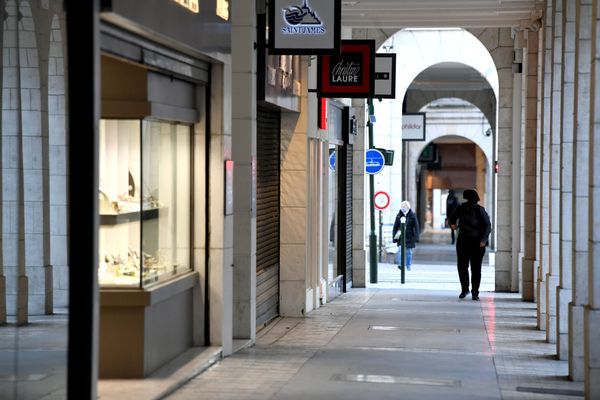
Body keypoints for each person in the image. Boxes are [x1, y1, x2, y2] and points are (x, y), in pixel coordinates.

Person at [448, 189, 491, 301]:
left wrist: (484, 240)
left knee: (474, 268)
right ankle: (466, 289)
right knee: (464, 267)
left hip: (476, 243)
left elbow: (487, 225)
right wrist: (452, 225)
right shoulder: (462, 208)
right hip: (464, 241)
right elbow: (452, 219)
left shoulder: (479, 210)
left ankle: (474, 291)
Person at [392, 200, 420, 271]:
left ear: (408, 207)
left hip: (410, 236)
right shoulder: (398, 215)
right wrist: (394, 237)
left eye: (404, 206)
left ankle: (408, 266)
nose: (402, 208)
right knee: (400, 250)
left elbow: (416, 226)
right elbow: (395, 227)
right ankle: (400, 265)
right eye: (402, 206)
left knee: (409, 252)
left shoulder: (412, 215)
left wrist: (416, 237)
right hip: (400, 236)